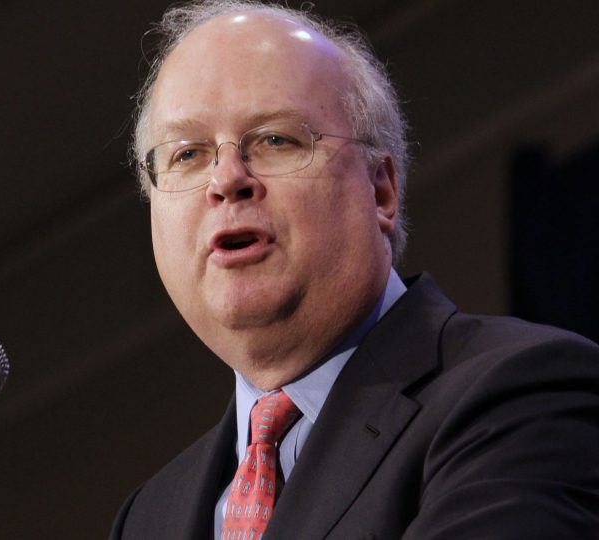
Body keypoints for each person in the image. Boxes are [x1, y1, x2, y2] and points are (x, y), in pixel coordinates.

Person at [110, 1, 599, 538]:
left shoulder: (520, 394)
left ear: (380, 191)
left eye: (275, 140)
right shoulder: (146, 518)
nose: (226, 180)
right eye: (187, 155)